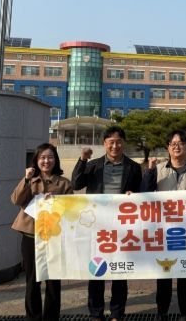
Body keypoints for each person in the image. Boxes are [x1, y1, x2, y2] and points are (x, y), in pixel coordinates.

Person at [71, 125, 142, 321]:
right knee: (96, 270)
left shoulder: (134, 167)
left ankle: (117, 313)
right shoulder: (94, 165)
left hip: (122, 227)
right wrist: (82, 160)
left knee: (120, 271)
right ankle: (96, 313)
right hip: (97, 227)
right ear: (104, 144)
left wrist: (134, 195)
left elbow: (141, 194)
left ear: (124, 143)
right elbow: (76, 184)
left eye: (119, 142)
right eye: (111, 142)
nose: (115, 146)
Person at [142, 130, 186, 321]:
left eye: (181, 143)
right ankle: (162, 311)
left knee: (185, 273)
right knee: (164, 273)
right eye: (173, 143)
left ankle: (185, 313)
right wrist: (149, 171)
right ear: (167, 147)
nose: (177, 146)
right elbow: (144, 193)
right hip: (164, 230)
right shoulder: (158, 169)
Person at [11, 143, 73, 321]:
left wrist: (56, 202)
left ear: (56, 160)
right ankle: (33, 317)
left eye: (50, 157)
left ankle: (51, 317)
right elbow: (16, 200)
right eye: (42, 157)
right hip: (30, 236)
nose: (46, 161)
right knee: (32, 280)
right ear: (36, 160)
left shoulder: (64, 183)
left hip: (54, 237)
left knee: (53, 281)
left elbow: (71, 209)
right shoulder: (30, 180)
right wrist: (26, 179)